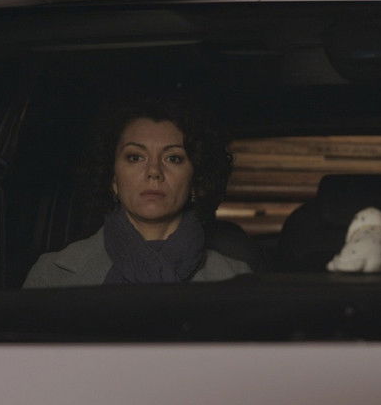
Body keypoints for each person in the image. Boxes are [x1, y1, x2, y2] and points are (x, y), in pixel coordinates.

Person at [23, 96, 251, 288]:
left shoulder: (236, 279)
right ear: (112, 177)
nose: (154, 171)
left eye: (173, 158)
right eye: (135, 157)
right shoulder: (51, 275)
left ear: (196, 179)